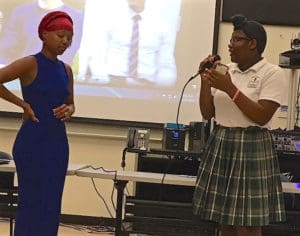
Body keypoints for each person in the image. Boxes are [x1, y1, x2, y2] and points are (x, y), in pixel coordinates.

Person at [192, 14, 287, 236]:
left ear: (253, 44)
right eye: (231, 39)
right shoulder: (228, 71)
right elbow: (208, 113)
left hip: (251, 145)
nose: (230, 44)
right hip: (222, 141)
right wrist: (205, 80)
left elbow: (262, 115)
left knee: (246, 222)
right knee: (224, 218)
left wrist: (230, 89)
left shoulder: (272, 73)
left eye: (237, 40)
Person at [0, 11, 75, 235]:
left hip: (58, 144)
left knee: (51, 205)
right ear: (44, 35)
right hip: (32, 142)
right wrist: (22, 104)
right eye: (61, 35)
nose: (65, 41)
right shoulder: (30, 63)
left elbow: (71, 103)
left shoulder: (66, 70)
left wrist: (68, 110)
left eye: (69, 37)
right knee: (31, 203)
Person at [78, 0, 180, 87]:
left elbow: (167, 66)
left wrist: (156, 90)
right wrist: (107, 83)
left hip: (147, 84)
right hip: (113, 81)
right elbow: (97, 57)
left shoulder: (160, 26)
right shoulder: (110, 21)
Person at [0, 0, 83, 66]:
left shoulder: (76, 17)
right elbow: (5, 48)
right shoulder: (20, 11)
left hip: (53, 78)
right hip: (22, 76)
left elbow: (68, 53)